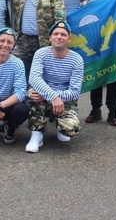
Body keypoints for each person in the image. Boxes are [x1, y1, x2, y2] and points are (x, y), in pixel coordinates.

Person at [0, 0, 65, 78]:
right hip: (22, 41)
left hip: (44, 42)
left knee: (41, 78)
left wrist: (57, 42)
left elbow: (60, 19)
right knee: (18, 76)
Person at [25, 20, 84, 153]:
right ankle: (36, 134)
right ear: (50, 37)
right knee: (32, 93)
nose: (59, 37)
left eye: (63, 34)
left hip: (64, 100)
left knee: (70, 129)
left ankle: (61, 126)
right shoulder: (41, 53)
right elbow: (34, 78)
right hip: (42, 95)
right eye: (55, 34)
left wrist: (55, 97)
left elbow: (75, 91)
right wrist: (51, 96)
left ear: (69, 38)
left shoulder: (77, 59)